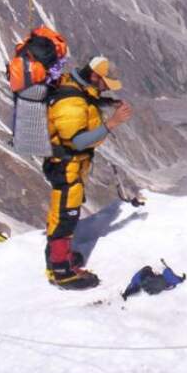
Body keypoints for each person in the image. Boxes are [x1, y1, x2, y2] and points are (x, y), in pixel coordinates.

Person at [42, 54, 133, 289]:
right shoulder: (70, 103)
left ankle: (59, 259)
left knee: (64, 213)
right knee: (65, 217)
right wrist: (112, 123)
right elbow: (78, 141)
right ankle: (62, 272)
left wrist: (108, 103)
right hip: (66, 167)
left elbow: (87, 103)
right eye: (104, 83)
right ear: (94, 76)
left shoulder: (78, 90)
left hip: (71, 167)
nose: (105, 89)